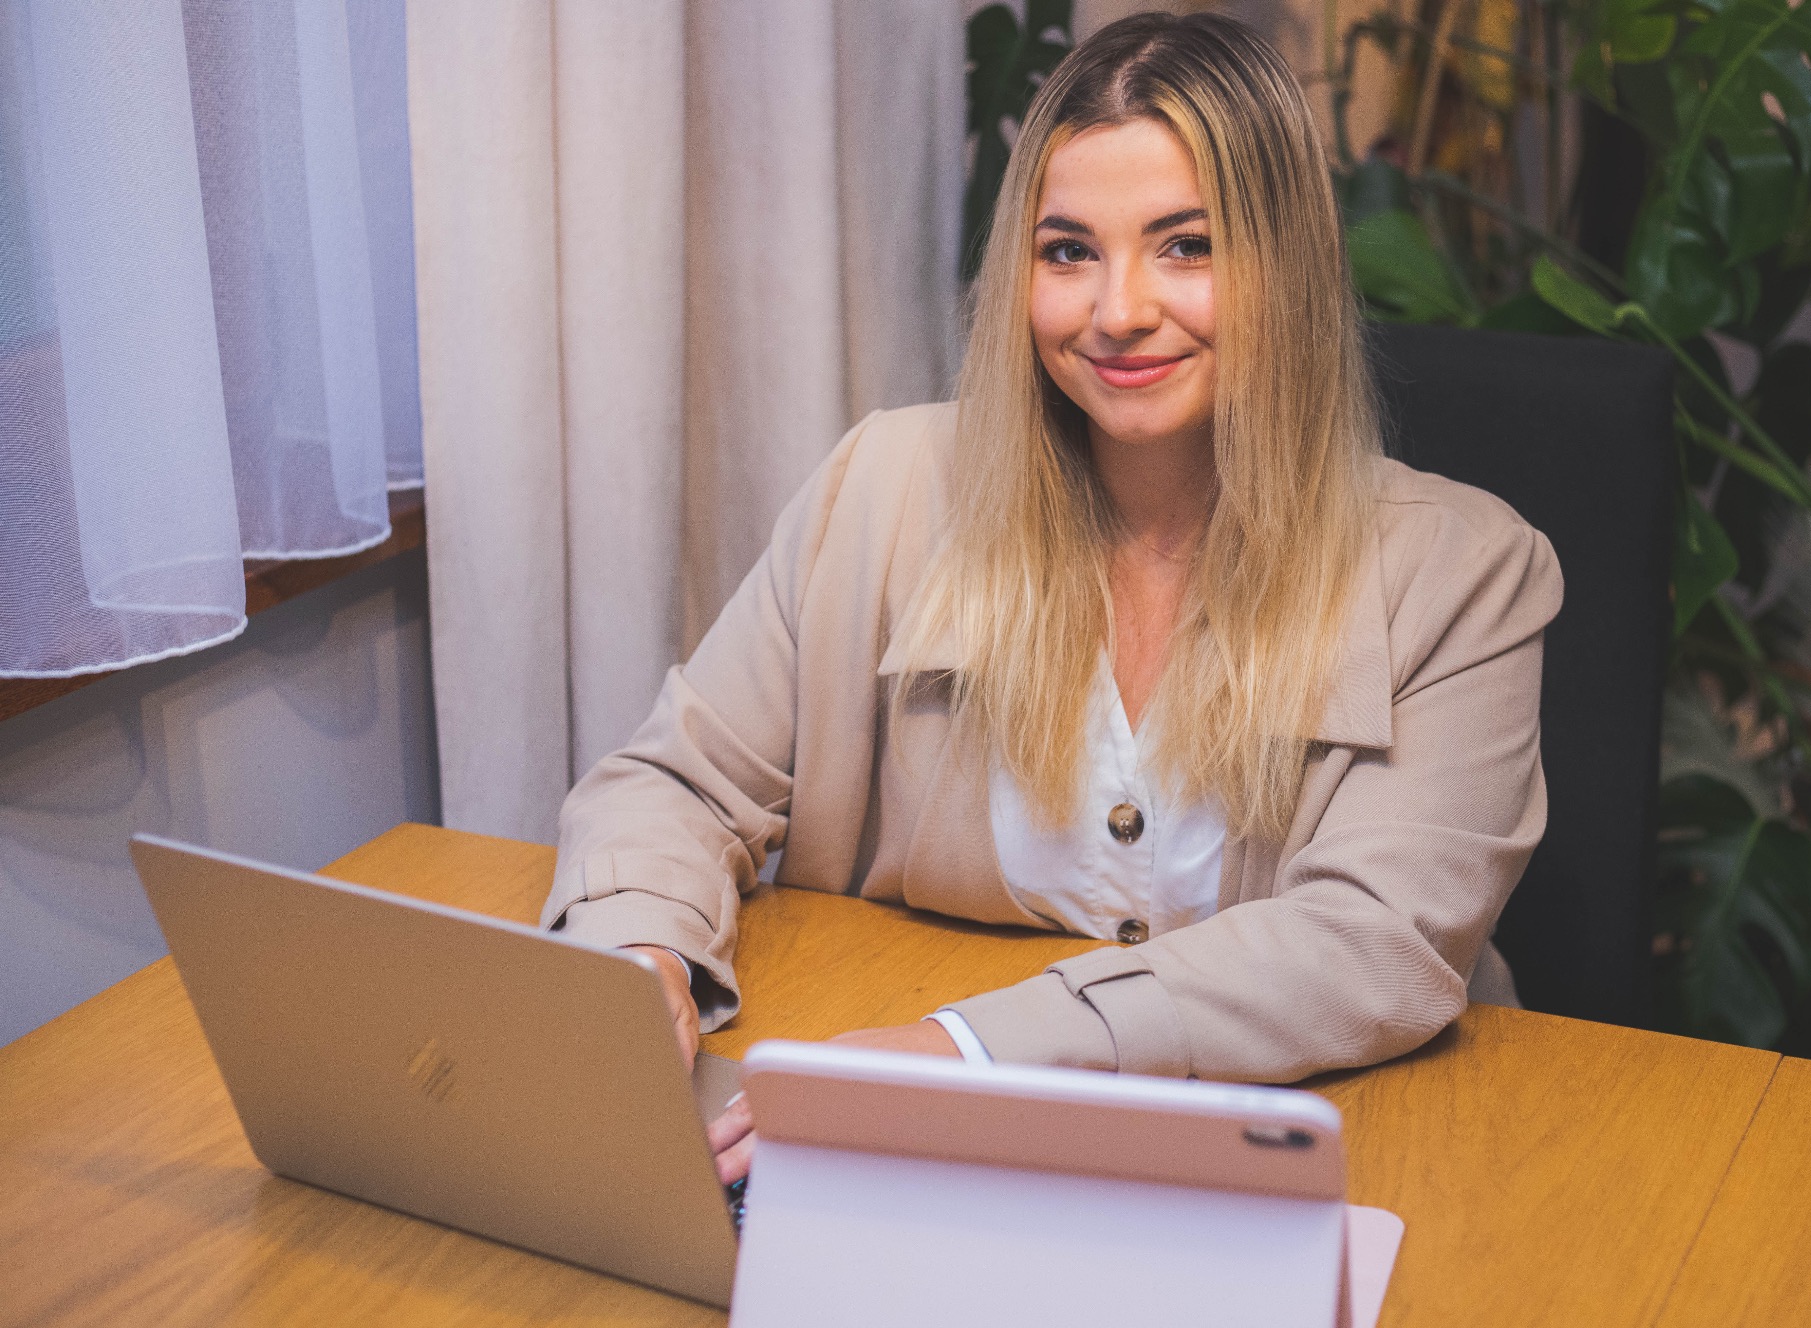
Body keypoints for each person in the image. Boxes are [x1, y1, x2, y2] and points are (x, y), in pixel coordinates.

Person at [542, 11, 1561, 1181]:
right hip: (925, 1140)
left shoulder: (1465, 569)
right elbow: (676, 781)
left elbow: (1365, 945)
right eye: (1067, 249)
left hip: (1310, 1145)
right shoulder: (880, 489)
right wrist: (640, 961)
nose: (1116, 310)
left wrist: (966, 1047)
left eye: (1185, 245)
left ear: (1286, 262)